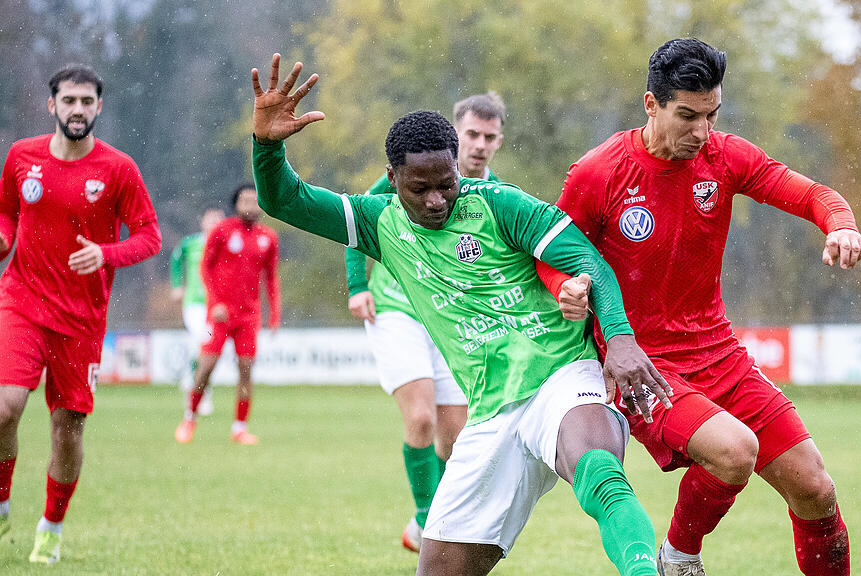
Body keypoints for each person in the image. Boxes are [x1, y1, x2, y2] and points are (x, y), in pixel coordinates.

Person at [250, 54, 673, 575]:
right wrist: (267, 147)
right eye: (418, 188)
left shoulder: (501, 204)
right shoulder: (376, 221)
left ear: (458, 167)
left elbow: (589, 262)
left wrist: (621, 338)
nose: (435, 200)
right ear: (392, 178)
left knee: (600, 472)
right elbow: (284, 200)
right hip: (491, 411)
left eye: (445, 184)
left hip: (560, 374)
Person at [538, 38, 861, 576]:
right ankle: (679, 558)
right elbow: (549, 252)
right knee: (735, 451)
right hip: (642, 365)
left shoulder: (725, 157)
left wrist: (842, 224)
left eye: (711, 115)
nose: (701, 132)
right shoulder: (599, 172)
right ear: (651, 104)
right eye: (686, 116)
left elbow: (811, 194)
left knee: (815, 489)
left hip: (722, 356)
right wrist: (563, 287)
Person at [0, 64, 161, 564]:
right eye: (68, 101)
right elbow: (6, 213)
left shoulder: (118, 169)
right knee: (5, 407)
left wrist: (105, 254)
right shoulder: (22, 157)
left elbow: (149, 237)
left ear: (98, 107)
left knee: (67, 429)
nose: (77, 110)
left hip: (82, 321)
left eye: (86, 102)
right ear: (52, 105)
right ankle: (2, 501)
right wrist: (4, 240)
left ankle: (51, 524)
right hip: (21, 302)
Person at [344, 92, 506, 553]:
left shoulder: (497, 195)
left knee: (456, 439)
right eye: (470, 134)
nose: (478, 145)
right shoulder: (405, 177)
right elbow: (354, 223)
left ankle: (427, 528)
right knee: (419, 420)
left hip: (452, 318)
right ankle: (429, 522)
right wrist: (358, 286)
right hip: (396, 307)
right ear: (455, 137)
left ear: (499, 142)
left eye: (488, 137)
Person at [174, 183, 281, 445]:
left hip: (248, 316)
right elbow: (205, 268)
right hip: (219, 315)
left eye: (255, 200)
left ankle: (239, 427)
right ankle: (189, 418)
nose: (250, 205)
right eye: (245, 200)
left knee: (246, 369)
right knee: (206, 366)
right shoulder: (222, 231)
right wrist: (216, 303)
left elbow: (271, 279)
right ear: (235, 203)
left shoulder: (268, 237)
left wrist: (275, 313)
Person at [169, 205, 225, 415]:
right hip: (194, 304)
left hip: (216, 305)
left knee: (206, 349)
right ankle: (201, 392)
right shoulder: (191, 243)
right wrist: (177, 285)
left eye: (218, 219)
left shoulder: (225, 245)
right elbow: (176, 258)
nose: (214, 223)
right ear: (203, 222)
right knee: (204, 343)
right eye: (211, 219)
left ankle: (192, 383)